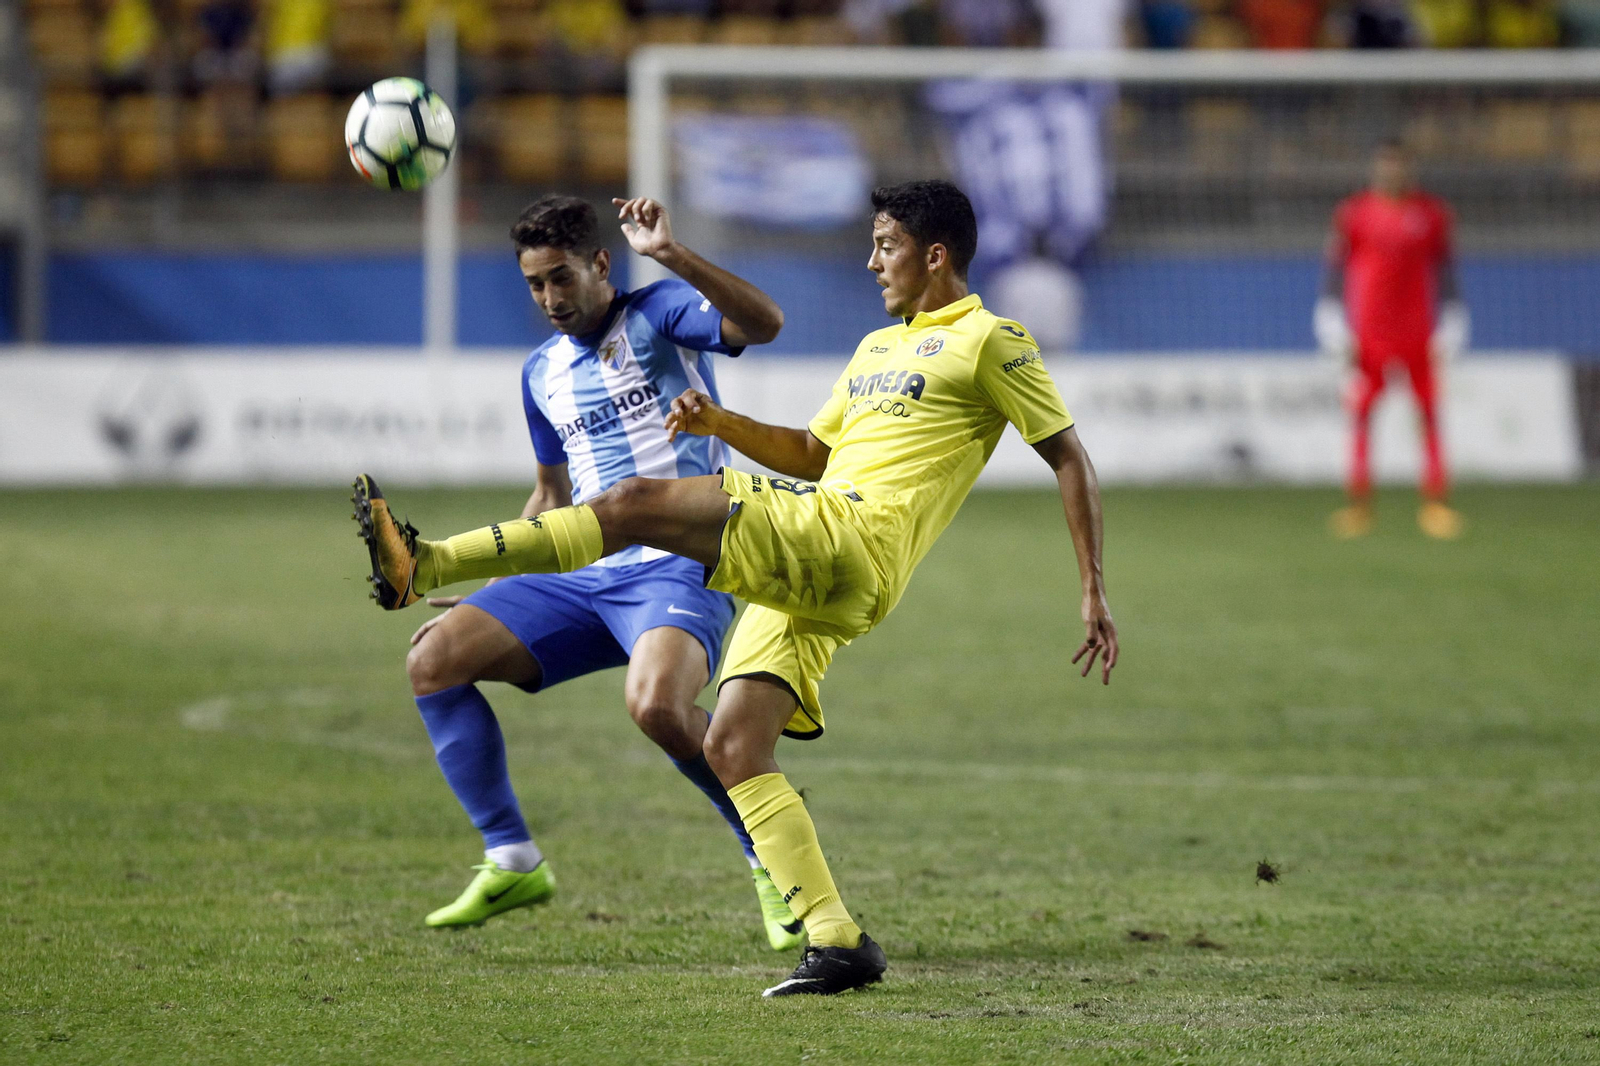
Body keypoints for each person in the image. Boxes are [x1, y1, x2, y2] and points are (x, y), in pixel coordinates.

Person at [353, 179, 1119, 997]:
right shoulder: (874, 351)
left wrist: (1093, 590)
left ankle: (425, 563)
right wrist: (724, 428)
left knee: (632, 504)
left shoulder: (991, 340)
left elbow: (1067, 455)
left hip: (850, 539)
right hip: (818, 565)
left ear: (935, 255)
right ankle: (835, 940)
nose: (871, 262)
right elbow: (815, 456)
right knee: (729, 745)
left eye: (885, 246)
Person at [370, 194, 806, 951]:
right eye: (535, 285)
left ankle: (769, 858)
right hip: (582, 577)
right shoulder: (540, 373)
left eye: (561, 278)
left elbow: (765, 323)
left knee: (657, 709)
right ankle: (511, 859)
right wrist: (500, 590)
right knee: (433, 660)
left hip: (680, 564)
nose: (549, 299)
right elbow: (551, 497)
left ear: (601, 264)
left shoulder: (660, 312)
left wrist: (671, 253)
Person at [1316, 141, 1468, 540]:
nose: (1391, 173)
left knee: (1429, 413)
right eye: (1385, 166)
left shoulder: (1432, 214)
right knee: (1362, 415)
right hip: (1369, 333)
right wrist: (1331, 319)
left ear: (1409, 170)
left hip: (1418, 331)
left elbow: (1446, 268)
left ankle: (1435, 504)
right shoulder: (1353, 213)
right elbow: (1335, 268)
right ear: (1375, 169)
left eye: (1398, 166)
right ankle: (1359, 505)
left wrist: (1453, 317)